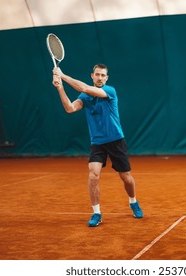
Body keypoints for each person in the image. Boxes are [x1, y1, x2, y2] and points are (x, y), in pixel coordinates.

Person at [52, 64, 143, 227]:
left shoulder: (109, 91)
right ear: (92, 76)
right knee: (93, 175)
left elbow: (86, 89)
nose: (100, 78)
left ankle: (133, 201)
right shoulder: (84, 97)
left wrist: (63, 76)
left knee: (126, 177)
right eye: (97, 75)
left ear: (106, 78)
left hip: (116, 140)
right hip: (97, 143)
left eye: (103, 75)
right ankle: (96, 213)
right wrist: (60, 88)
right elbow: (70, 108)